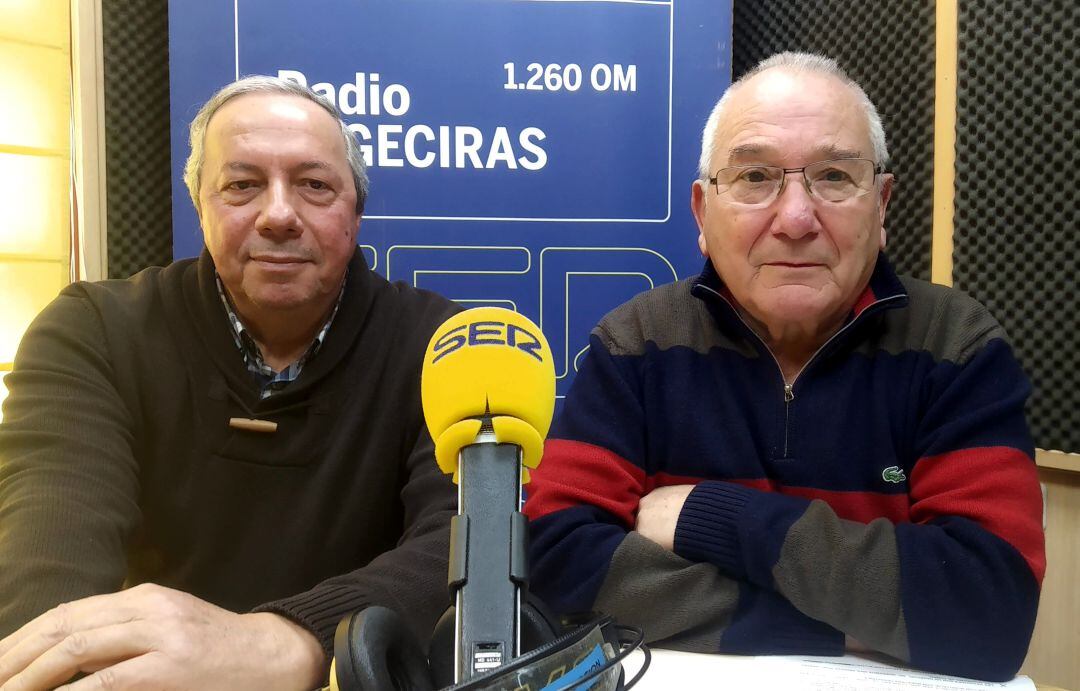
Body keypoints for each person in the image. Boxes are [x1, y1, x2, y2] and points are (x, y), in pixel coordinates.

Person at [524, 52, 1045, 682]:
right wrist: (837, 622)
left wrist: (713, 517)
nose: (796, 219)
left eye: (833, 176)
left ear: (882, 206)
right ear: (702, 213)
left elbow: (988, 610)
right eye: (754, 177)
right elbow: (557, 568)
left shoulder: (955, 347)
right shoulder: (635, 345)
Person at [0, 76, 459, 689]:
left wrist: (286, 643)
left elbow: (466, 551)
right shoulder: (93, 333)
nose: (279, 215)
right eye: (242, 185)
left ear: (355, 212)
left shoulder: (447, 347)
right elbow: (46, 567)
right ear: (200, 205)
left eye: (315, 185)